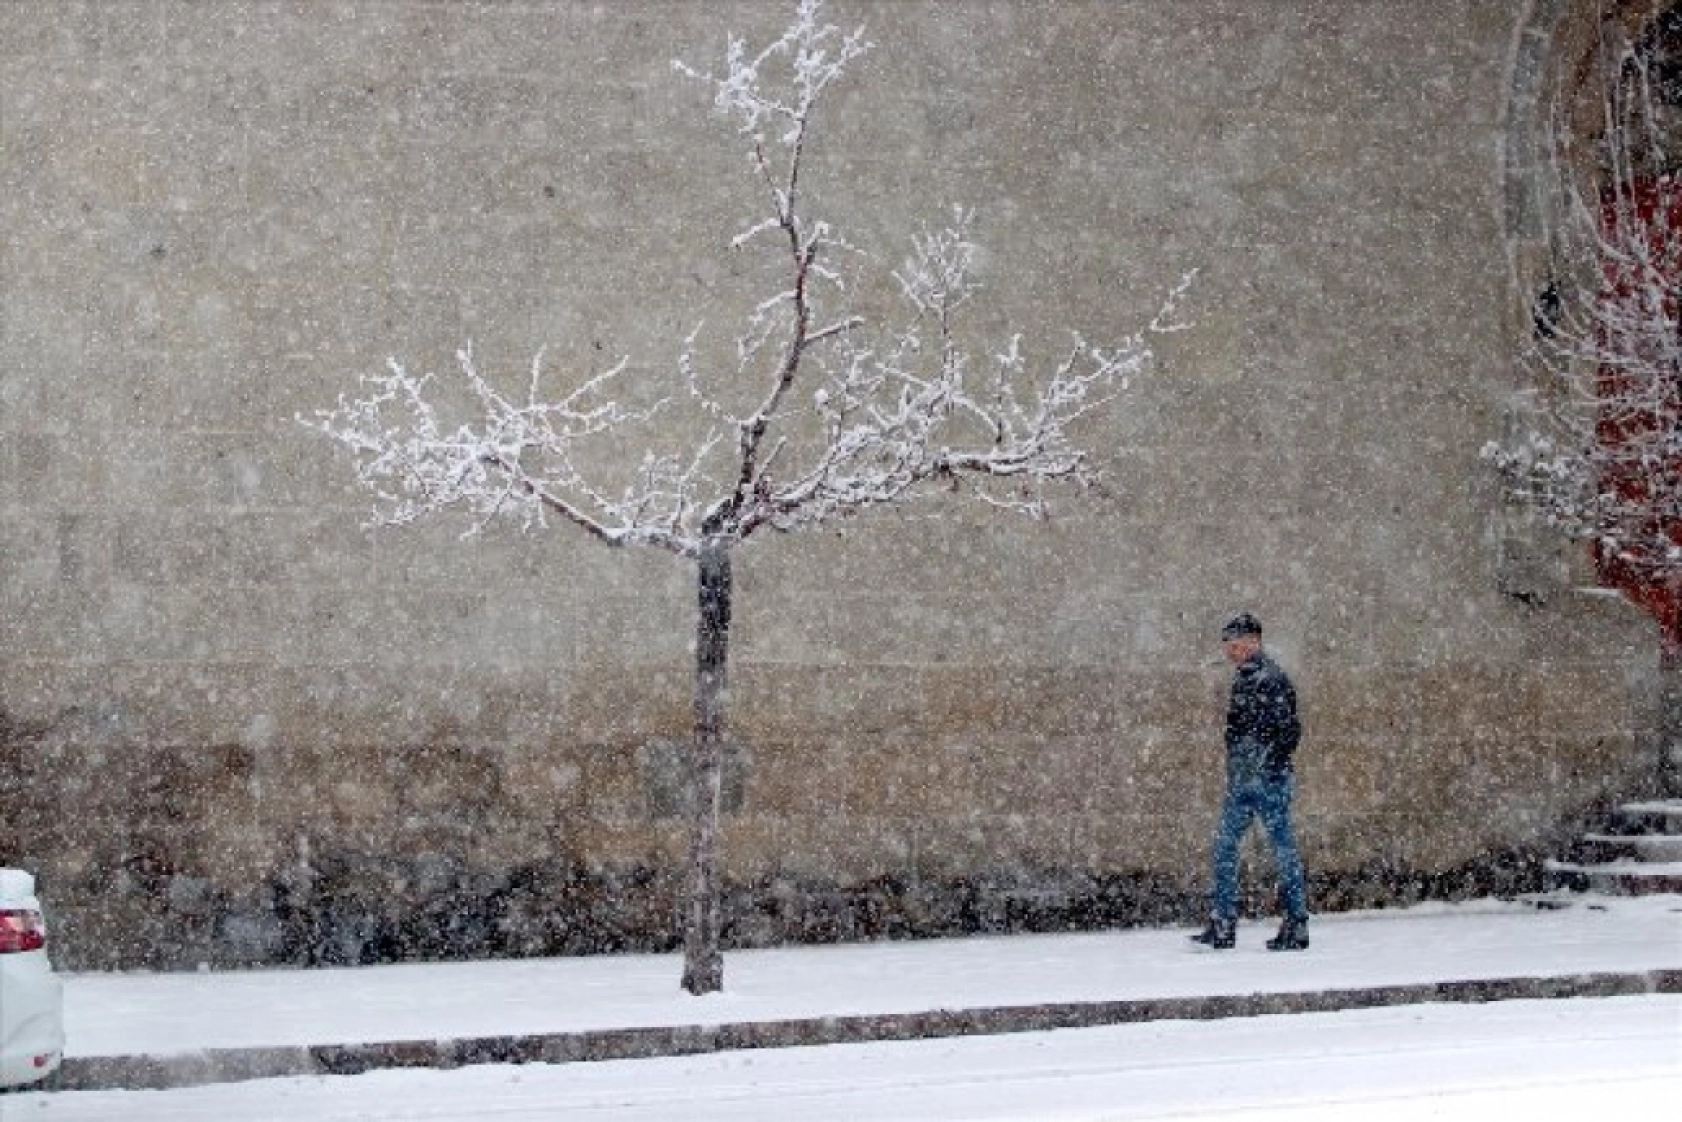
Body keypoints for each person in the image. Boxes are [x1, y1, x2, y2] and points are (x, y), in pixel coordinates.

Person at [1190, 612, 1309, 951]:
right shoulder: (1248, 678)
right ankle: (1224, 922)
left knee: (1280, 850)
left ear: (1254, 642)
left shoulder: (1269, 679)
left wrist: (1268, 765)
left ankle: (1294, 923)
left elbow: (1288, 730)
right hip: (1246, 780)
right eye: (1228, 643)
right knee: (1229, 847)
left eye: (1236, 642)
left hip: (1266, 780)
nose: (1230, 649)